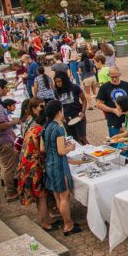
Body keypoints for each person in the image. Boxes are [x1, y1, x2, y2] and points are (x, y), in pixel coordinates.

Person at [41, 100, 83, 236]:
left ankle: (67, 221)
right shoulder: (58, 129)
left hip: (50, 164)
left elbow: (43, 148)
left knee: (58, 196)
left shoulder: (46, 127)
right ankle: (68, 225)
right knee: (64, 196)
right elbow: (61, 151)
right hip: (59, 166)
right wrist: (70, 147)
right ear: (59, 112)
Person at [15, 98, 57, 231]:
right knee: (42, 196)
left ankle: (46, 219)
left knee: (41, 196)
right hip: (33, 167)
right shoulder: (40, 130)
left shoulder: (33, 127)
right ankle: (45, 223)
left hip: (26, 166)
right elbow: (43, 150)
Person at [95, 67, 128, 137]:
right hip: (113, 120)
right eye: (111, 77)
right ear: (108, 75)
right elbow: (98, 104)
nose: (114, 79)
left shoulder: (126, 85)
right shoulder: (104, 87)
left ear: (119, 74)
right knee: (115, 142)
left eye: (116, 77)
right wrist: (113, 110)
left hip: (127, 119)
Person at [53, 72, 88, 145]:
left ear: (64, 80)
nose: (57, 84)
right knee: (73, 140)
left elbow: (84, 100)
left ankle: (92, 152)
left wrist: (83, 112)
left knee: (82, 138)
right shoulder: (56, 91)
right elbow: (58, 104)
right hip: (66, 118)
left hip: (78, 116)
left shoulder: (75, 87)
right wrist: (60, 115)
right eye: (56, 82)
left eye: (59, 81)